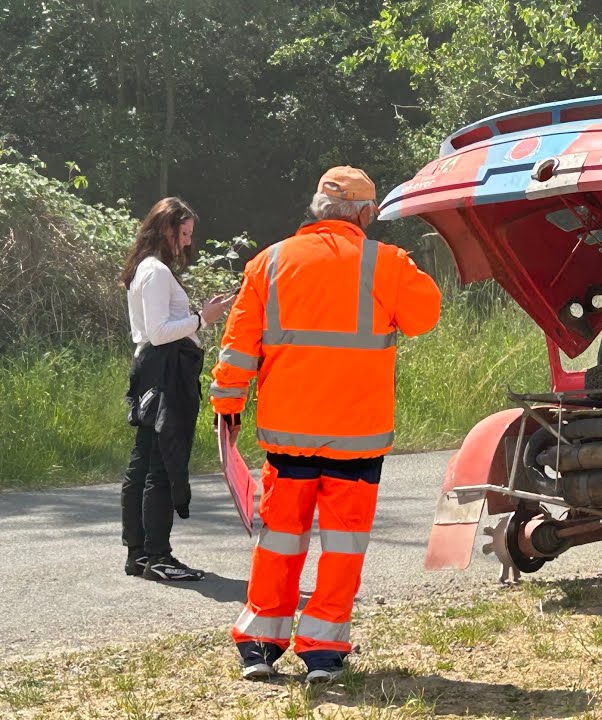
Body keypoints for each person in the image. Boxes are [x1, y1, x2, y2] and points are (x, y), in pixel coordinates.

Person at [210, 166, 442, 684]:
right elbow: (426, 317)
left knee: (279, 539)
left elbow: (239, 344)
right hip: (356, 438)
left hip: (287, 432)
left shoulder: (268, 263)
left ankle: (260, 645)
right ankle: (321, 651)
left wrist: (227, 403)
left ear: (318, 209)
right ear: (364, 213)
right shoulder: (386, 264)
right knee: (343, 545)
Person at [121, 197, 233, 581]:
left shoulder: (149, 269)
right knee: (161, 465)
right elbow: (158, 333)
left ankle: (140, 555)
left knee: (145, 463)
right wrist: (203, 319)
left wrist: (196, 315)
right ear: (165, 229)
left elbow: (162, 325)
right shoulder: (154, 271)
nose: (187, 242)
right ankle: (157, 556)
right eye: (183, 233)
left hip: (156, 370)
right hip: (164, 372)